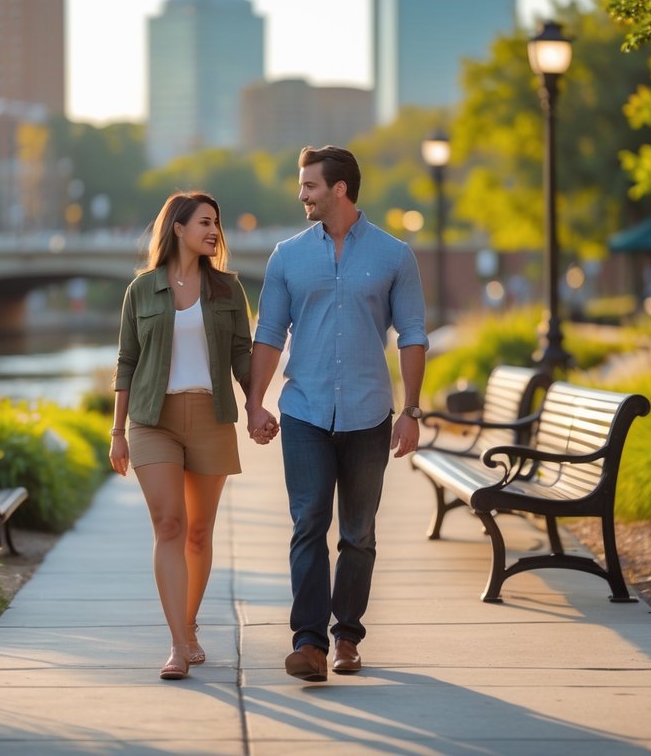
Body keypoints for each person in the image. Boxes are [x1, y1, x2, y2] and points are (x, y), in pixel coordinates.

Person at [246, 145, 427, 682]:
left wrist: (411, 409)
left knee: (359, 533)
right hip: (304, 412)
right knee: (308, 526)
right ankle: (310, 645)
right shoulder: (286, 256)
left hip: (370, 414)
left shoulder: (395, 256)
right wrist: (255, 403)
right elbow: (269, 334)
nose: (301, 194)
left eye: (309, 186)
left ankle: (347, 634)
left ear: (339, 189)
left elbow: (413, 335)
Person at [110, 191, 253, 681]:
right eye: (205, 223)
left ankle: (190, 623)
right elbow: (126, 363)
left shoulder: (228, 290)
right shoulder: (142, 290)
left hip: (211, 416)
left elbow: (242, 357)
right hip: (153, 420)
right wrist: (117, 432)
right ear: (178, 227)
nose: (214, 231)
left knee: (197, 532)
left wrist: (257, 408)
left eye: (218, 223)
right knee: (168, 525)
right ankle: (176, 643)